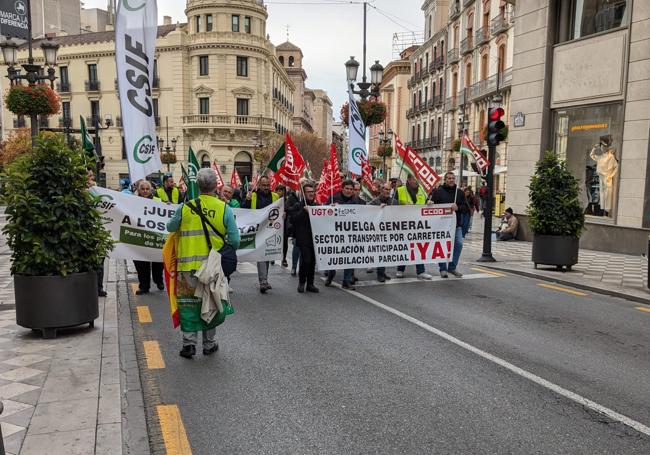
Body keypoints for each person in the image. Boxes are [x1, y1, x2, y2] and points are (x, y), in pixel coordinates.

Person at [167, 169, 240, 358]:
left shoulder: (185, 208)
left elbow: (170, 227)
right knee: (211, 302)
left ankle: (188, 344)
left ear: (198, 186)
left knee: (188, 305)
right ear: (216, 186)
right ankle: (209, 344)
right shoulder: (224, 208)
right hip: (212, 266)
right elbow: (235, 240)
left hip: (187, 267)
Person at [242, 175, 279, 293]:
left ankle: (264, 279)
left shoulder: (275, 196)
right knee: (261, 255)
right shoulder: (252, 196)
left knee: (266, 255)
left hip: (270, 230)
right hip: (256, 230)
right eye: (264, 185)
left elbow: (280, 210)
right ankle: (263, 281)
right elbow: (244, 210)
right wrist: (247, 201)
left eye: (268, 185)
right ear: (258, 185)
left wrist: (283, 214)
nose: (266, 187)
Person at [325, 180, 365, 289]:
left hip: (351, 233)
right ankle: (331, 274)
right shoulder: (334, 198)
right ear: (342, 188)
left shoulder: (356, 200)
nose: (349, 191)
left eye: (351, 189)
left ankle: (346, 281)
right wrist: (330, 208)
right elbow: (323, 213)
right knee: (334, 256)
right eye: (347, 188)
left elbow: (365, 212)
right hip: (335, 233)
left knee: (349, 256)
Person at [395, 175, 433, 280]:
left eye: (418, 179)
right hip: (404, 224)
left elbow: (425, 203)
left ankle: (421, 271)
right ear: (408, 180)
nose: (417, 181)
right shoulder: (400, 190)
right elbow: (392, 205)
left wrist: (429, 203)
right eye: (414, 179)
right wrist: (401, 205)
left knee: (419, 248)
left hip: (418, 225)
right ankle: (400, 270)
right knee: (404, 247)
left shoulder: (422, 190)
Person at [430, 172, 468, 278]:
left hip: (456, 224)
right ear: (445, 180)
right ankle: (443, 268)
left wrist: (458, 208)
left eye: (453, 178)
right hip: (441, 225)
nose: (451, 180)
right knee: (442, 246)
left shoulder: (459, 192)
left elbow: (465, 208)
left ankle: (452, 266)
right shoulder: (438, 192)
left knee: (459, 243)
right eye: (449, 178)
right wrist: (430, 203)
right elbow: (431, 206)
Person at [286, 182, 320, 293]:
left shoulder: (316, 206)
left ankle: (310, 284)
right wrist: (303, 211)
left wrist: (332, 208)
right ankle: (302, 282)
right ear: (304, 193)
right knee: (306, 260)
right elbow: (293, 219)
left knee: (312, 262)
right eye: (309, 192)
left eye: (312, 191)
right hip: (302, 238)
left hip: (314, 238)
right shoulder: (298, 205)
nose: (311, 194)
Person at [133, 180, 165, 295]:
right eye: (143, 189)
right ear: (138, 190)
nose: (145, 191)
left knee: (158, 262)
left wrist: (168, 205)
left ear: (151, 189)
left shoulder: (158, 201)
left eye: (147, 189)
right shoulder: (132, 201)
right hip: (139, 237)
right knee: (141, 265)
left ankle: (158, 280)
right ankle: (144, 286)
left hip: (155, 237)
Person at [369, 182, 398, 282]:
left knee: (385, 253)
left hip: (389, 231)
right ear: (381, 190)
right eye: (385, 189)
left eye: (389, 190)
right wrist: (378, 209)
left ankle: (382, 272)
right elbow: (367, 212)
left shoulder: (394, 201)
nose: (387, 191)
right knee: (380, 253)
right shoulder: (374, 202)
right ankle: (380, 274)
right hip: (377, 232)